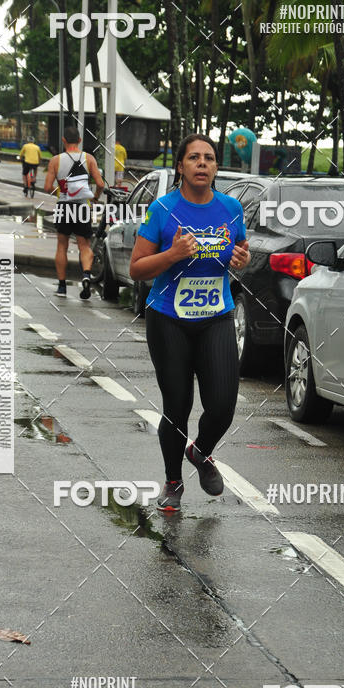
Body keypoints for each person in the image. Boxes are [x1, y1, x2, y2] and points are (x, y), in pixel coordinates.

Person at [130, 133, 251, 512]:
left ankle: (200, 452)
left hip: (216, 316)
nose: (202, 163)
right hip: (168, 319)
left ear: (216, 168)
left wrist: (241, 261)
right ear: (180, 166)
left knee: (222, 405)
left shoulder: (231, 208)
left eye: (209, 158)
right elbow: (137, 268)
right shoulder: (163, 210)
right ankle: (172, 482)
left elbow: (241, 251)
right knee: (177, 407)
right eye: (194, 157)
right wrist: (172, 254)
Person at [44, 126, 104, 300]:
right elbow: (100, 184)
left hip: (64, 206)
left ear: (63, 140)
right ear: (79, 140)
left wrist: (61, 190)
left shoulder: (55, 160)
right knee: (84, 246)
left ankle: (62, 287)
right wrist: (94, 198)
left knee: (62, 246)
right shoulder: (89, 158)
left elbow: (47, 187)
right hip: (82, 206)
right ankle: (86, 275)